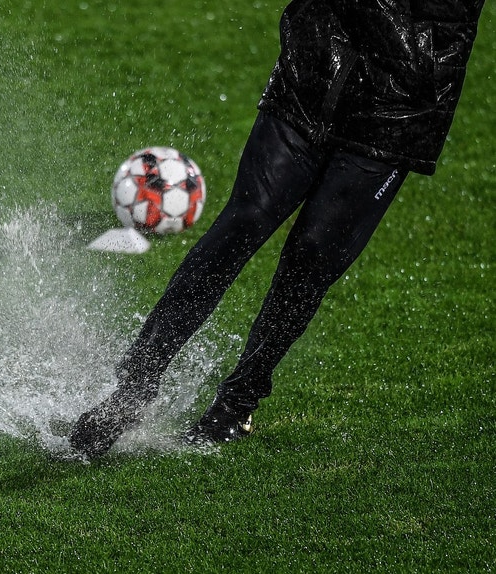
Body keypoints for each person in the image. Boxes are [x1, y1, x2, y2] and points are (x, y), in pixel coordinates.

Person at [69, 0, 486, 459]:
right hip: (316, 63)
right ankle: (133, 388)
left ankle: (237, 403)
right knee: (245, 220)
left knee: (312, 256)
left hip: (400, 102)